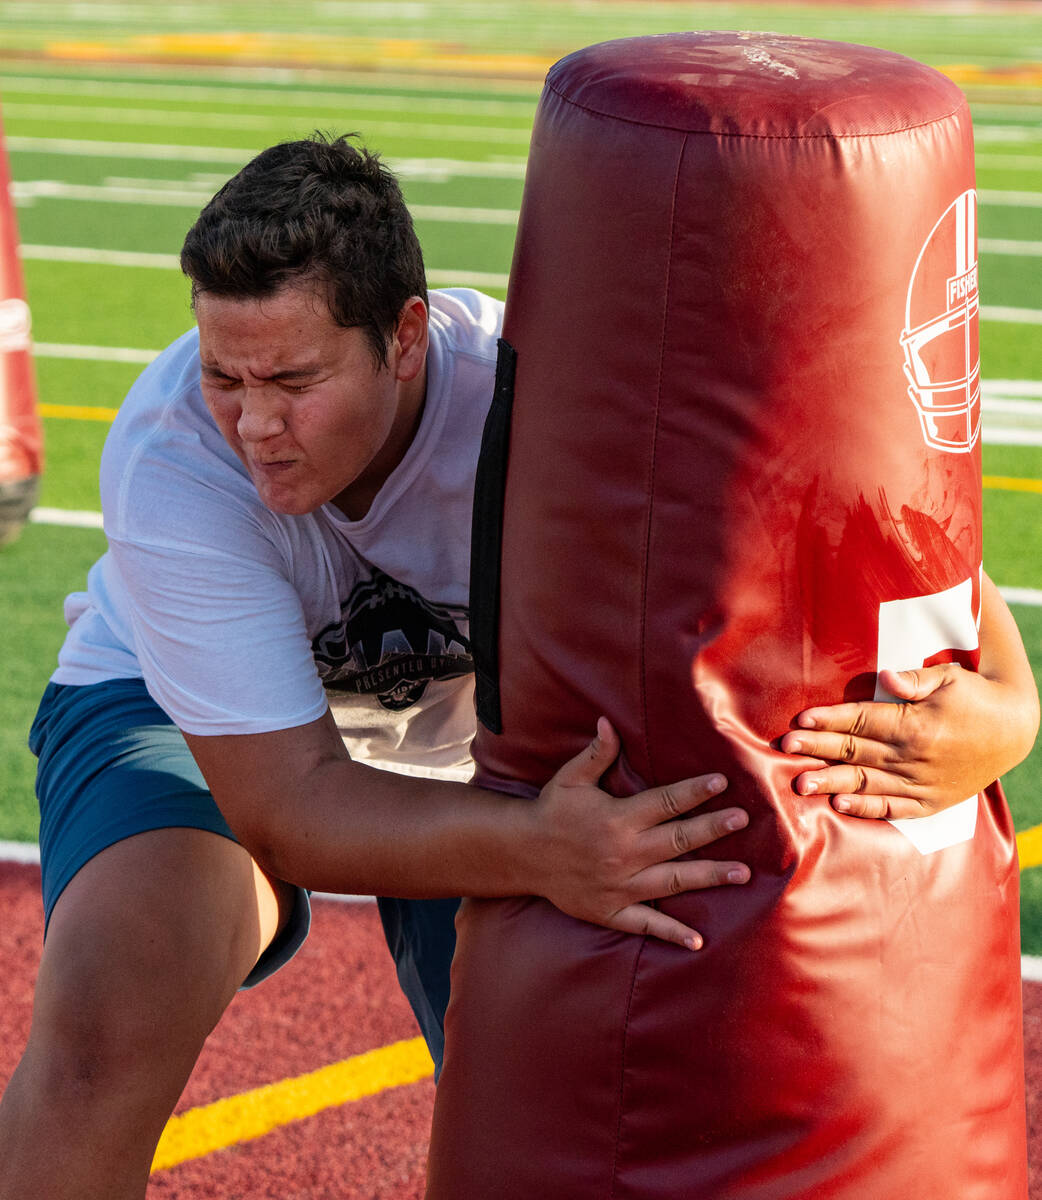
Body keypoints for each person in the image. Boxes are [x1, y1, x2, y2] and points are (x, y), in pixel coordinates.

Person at [0, 134, 1035, 1200]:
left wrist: (1006, 709)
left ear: (404, 340)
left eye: (294, 379)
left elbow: (838, 504)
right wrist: (536, 848)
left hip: (475, 742)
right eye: (224, 374)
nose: (254, 423)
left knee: (560, 1075)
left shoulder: (534, 396)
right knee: (113, 1012)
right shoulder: (176, 456)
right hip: (192, 719)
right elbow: (286, 803)